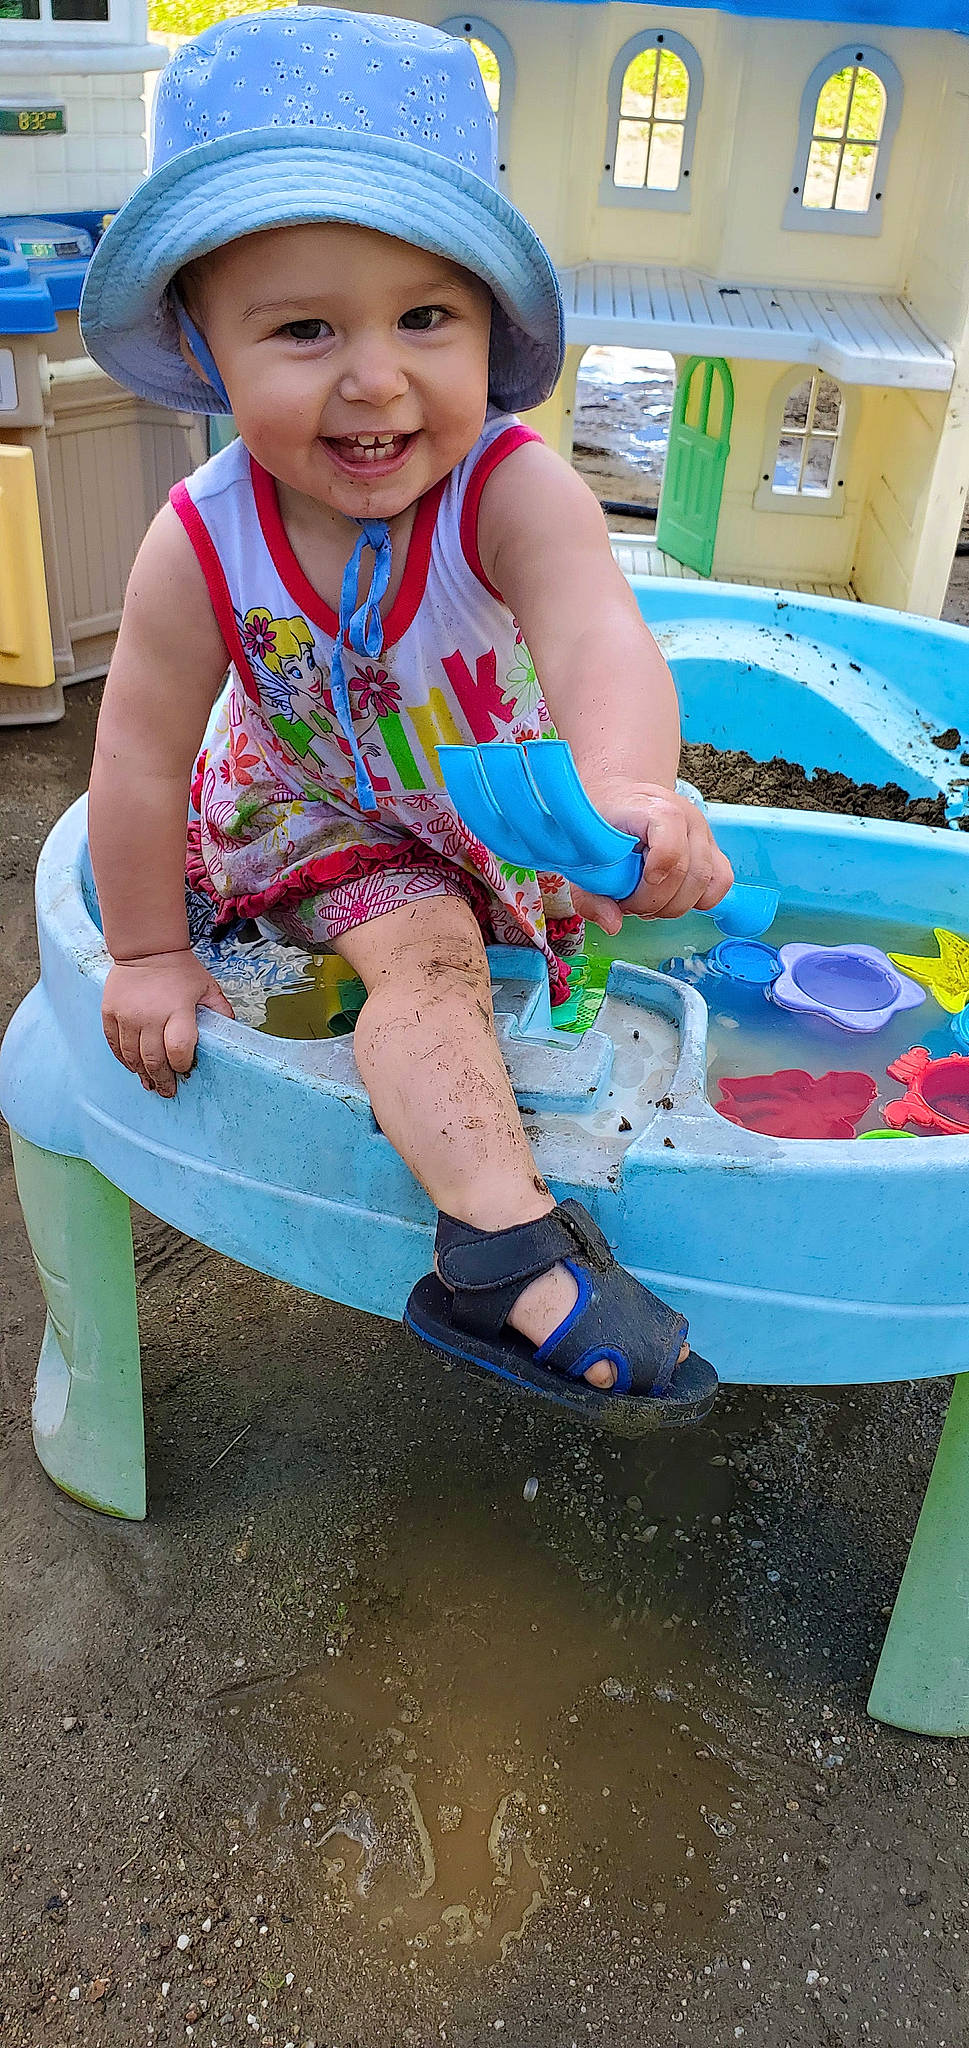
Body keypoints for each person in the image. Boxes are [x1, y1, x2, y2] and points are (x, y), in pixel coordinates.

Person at [81, 6, 734, 1434]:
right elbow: (134, 754)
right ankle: (497, 1246)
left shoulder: (511, 487)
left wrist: (631, 794)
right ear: (204, 342)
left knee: (616, 901)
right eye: (305, 329)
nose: (374, 379)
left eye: (423, 318)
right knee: (427, 962)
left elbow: (596, 637)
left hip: (477, 794)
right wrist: (141, 953)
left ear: (490, 328)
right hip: (308, 811)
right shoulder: (201, 538)